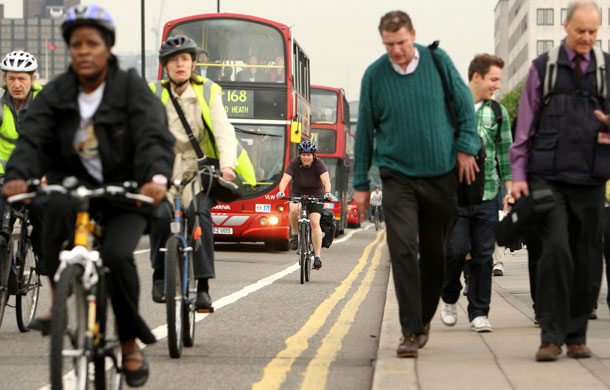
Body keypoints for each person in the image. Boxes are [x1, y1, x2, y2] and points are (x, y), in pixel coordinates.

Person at [2, 4, 174, 387]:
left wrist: (156, 177)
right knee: (50, 211)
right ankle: (57, 303)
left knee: (115, 255)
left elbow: (152, 135)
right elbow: (33, 138)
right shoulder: (59, 92)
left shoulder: (130, 87)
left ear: (107, 47)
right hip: (74, 187)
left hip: (125, 191)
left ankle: (129, 344)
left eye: (92, 43)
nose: (83, 50)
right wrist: (17, 176)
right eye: (75, 44)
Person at [353, 10, 480, 358]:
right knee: (403, 247)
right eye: (389, 44)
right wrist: (360, 182)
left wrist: (467, 147)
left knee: (437, 255)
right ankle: (410, 330)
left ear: (413, 35)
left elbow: (465, 105)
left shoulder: (438, 61)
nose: (396, 50)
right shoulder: (374, 76)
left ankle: (423, 318)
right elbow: (364, 130)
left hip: (440, 175)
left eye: (401, 43)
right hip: (397, 175)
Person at [509, 0, 610, 362]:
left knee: (587, 257)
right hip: (548, 177)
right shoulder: (543, 69)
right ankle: (550, 337)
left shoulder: (606, 69)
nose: (586, 38)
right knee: (554, 252)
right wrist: (518, 177)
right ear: (565, 27)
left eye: (593, 32)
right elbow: (523, 130)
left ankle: (577, 334)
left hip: (591, 177)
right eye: (580, 30)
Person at [148, 35, 253, 311]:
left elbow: (223, 132)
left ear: (193, 63)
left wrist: (228, 165)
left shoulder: (208, 90)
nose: (179, 65)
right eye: (173, 60)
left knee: (199, 214)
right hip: (165, 170)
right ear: (165, 67)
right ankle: (159, 275)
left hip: (199, 168)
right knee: (159, 214)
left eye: (184, 59)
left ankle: (203, 286)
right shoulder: (154, 93)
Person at [439, 54, 513, 332]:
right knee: (455, 251)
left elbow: (506, 154)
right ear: (476, 77)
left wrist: (510, 188)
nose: (497, 85)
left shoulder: (498, 112)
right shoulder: (450, 109)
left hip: (488, 193)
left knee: (483, 256)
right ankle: (448, 295)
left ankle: (479, 312)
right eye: (494, 79)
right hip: (454, 196)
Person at [0, 50, 45, 257]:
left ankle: (41, 251)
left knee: (42, 209)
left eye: (22, 79)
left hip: (36, 176)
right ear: (4, 79)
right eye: (11, 78)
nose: (16, 84)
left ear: (33, 79)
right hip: (4, 176)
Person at [276, 140, 333, 270]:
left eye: (309, 155)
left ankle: (317, 257)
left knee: (314, 222)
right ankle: (296, 235)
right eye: (303, 154)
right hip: (298, 192)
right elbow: (285, 179)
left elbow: (326, 180)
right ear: (300, 155)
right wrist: (280, 192)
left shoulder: (319, 164)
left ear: (313, 156)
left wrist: (328, 193)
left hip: (316, 194)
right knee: (294, 209)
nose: (306, 157)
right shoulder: (294, 163)